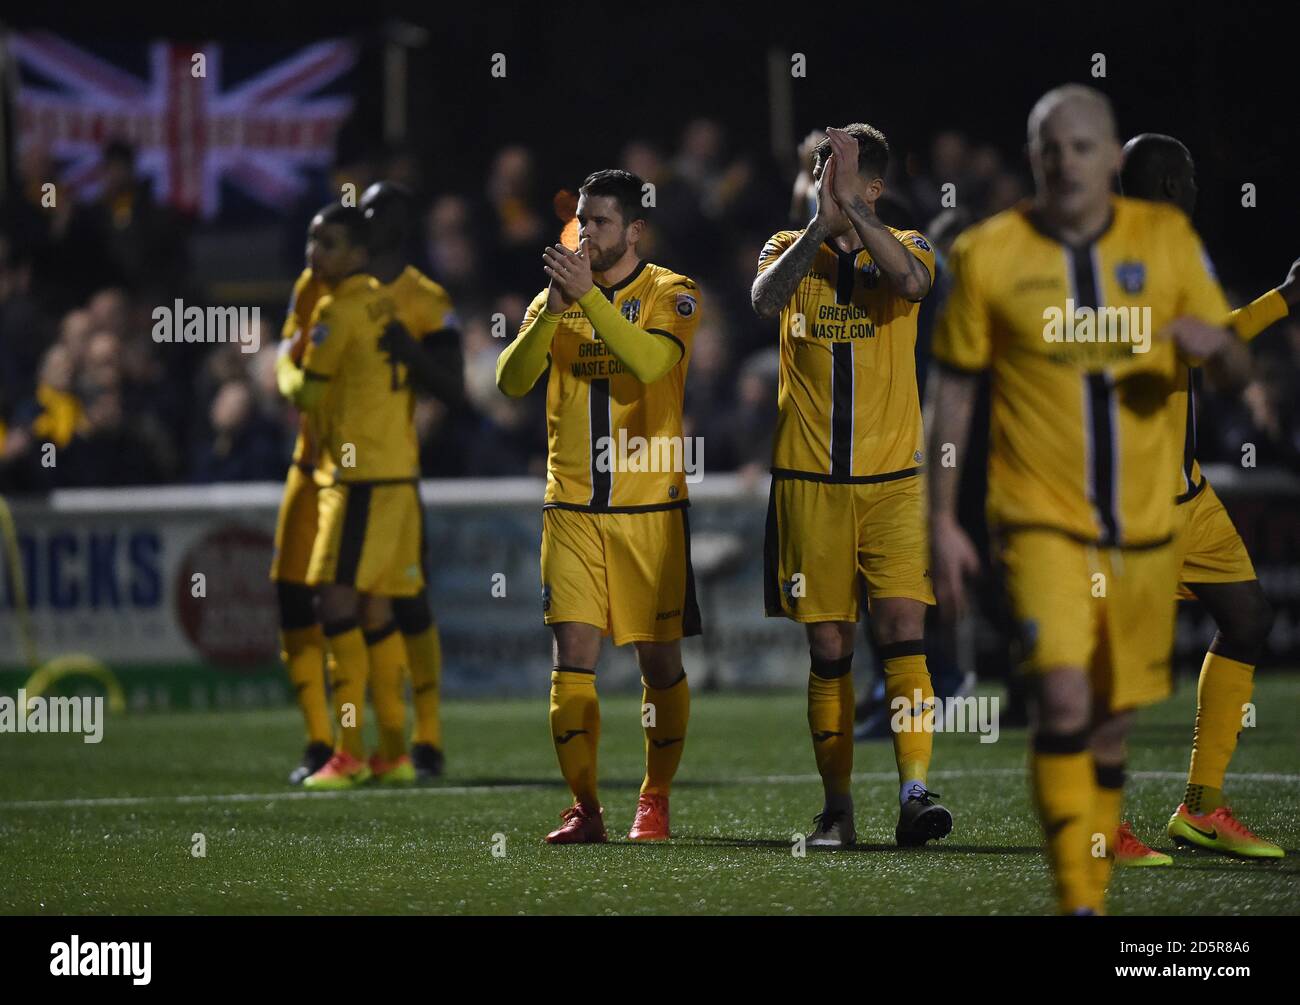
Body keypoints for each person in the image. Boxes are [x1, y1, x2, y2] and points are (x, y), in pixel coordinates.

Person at [927, 85, 1239, 914]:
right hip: (1038, 523)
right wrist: (938, 515)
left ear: (1110, 159)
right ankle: (1080, 900)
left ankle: (1120, 838)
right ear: (1033, 159)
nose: (1065, 162)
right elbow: (952, 395)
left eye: (1081, 146)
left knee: (1109, 721)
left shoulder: (1166, 243)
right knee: (1064, 699)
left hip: (1146, 524)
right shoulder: (988, 254)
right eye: (1049, 148)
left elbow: (1231, 361)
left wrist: (1224, 352)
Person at [751, 124, 950, 849]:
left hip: (895, 483)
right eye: (818, 172)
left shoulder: (909, 245)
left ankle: (914, 792)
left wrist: (858, 222)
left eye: (841, 174)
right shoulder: (786, 247)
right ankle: (837, 807)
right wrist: (818, 226)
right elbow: (763, 301)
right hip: (811, 482)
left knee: (903, 632)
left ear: (874, 187)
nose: (824, 184)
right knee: (829, 648)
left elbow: (915, 284)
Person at [496, 169, 702, 844]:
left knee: (660, 666)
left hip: (650, 512)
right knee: (572, 660)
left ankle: (657, 797)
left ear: (635, 230)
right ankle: (585, 806)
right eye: (580, 220)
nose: (585, 232)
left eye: (601, 221)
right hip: (573, 507)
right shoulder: (555, 300)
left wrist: (591, 301)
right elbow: (511, 380)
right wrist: (556, 310)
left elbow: (647, 365)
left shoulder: (673, 293)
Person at [1115, 132, 1292, 860]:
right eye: (1185, 174)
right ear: (1164, 185)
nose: (1195, 185)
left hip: (1184, 485)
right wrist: (1283, 303)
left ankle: (1201, 807)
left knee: (1248, 614)